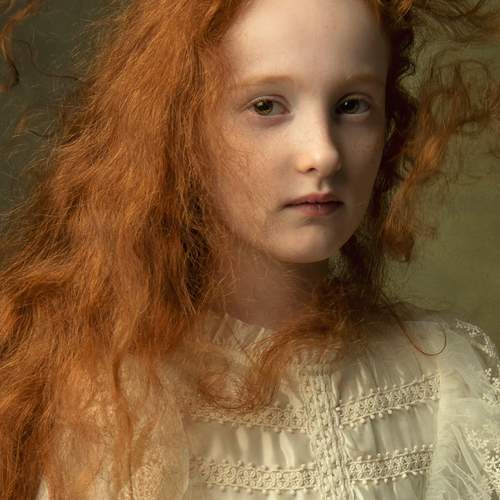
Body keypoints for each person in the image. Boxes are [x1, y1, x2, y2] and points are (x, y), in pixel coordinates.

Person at [0, 0, 499, 498]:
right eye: (266, 106)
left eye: (352, 105)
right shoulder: (113, 398)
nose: (323, 153)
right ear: (179, 130)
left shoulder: (447, 374)